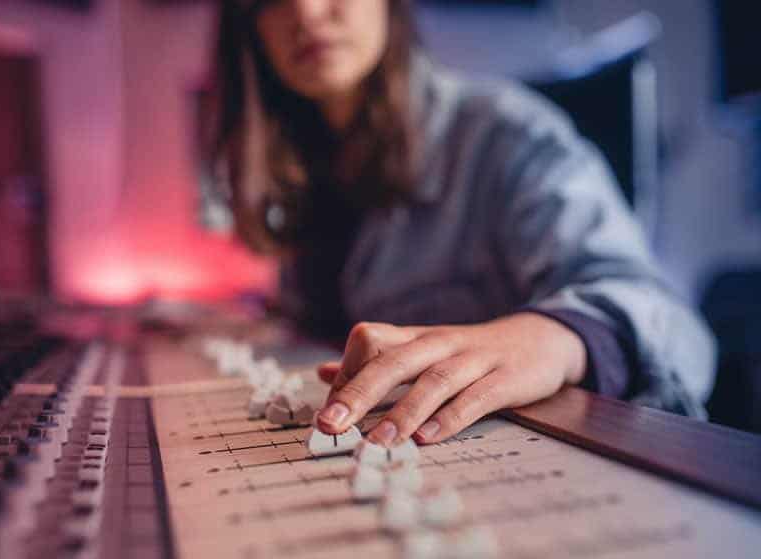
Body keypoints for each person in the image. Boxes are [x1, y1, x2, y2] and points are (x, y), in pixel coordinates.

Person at [203, 0, 716, 447]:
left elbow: (672, 328)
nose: (307, 10)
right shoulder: (305, 170)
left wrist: (547, 338)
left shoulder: (506, 134)